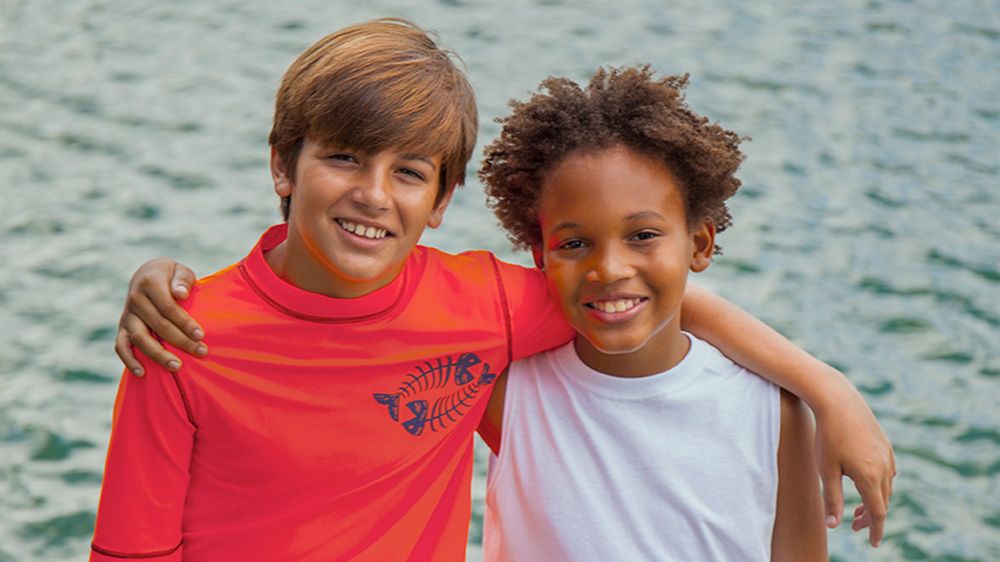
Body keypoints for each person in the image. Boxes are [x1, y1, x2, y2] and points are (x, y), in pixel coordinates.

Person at [98, 18, 893, 561]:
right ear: (283, 164)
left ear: (441, 203)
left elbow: (638, 294)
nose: (374, 194)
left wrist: (827, 388)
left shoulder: (481, 306)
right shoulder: (180, 333)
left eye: (408, 172)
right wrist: (159, 278)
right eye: (343, 158)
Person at [478, 67, 827, 560]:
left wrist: (829, 392)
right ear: (540, 259)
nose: (610, 269)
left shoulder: (775, 410)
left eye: (642, 235)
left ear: (699, 243)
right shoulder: (503, 386)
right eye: (575, 243)